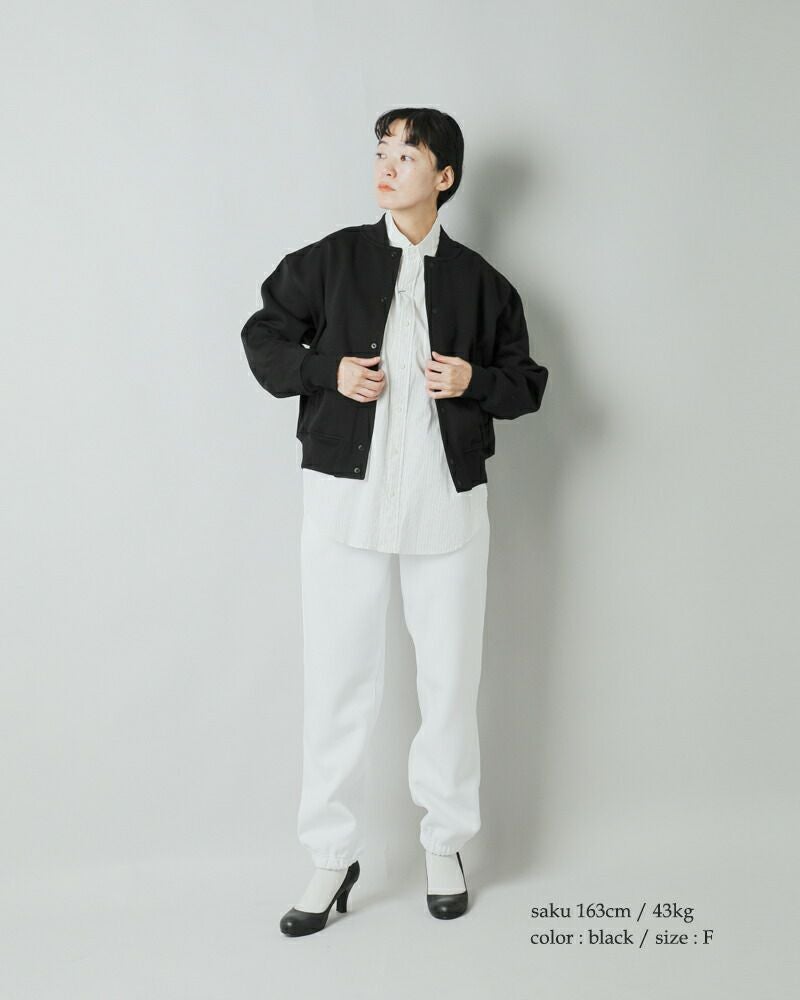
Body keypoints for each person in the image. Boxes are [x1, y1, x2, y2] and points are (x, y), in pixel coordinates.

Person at [240, 107, 548, 936]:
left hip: (447, 506)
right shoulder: (332, 259)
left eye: (407, 155)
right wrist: (325, 372)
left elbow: (527, 382)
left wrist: (473, 382)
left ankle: (445, 843)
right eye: (382, 150)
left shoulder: (483, 284)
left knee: (449, 683)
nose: (387, 164)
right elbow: (263, 337)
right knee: (336, 683)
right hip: (344, 502)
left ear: (443, 177)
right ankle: (330, 855)